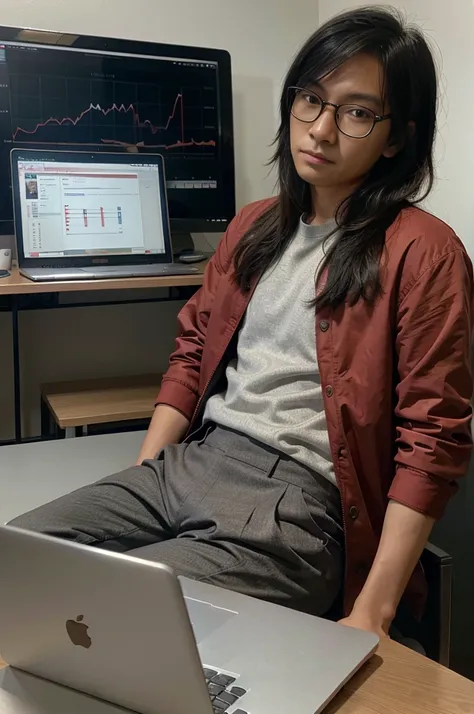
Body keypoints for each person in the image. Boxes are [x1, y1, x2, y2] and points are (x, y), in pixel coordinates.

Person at [11, 7, 473, 638]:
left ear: (396, 137)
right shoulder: (252, 225)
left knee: (107, 620)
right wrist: (146, 474)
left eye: (358, 112)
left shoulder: (424, 252)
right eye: (311, 99)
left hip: (295, 505)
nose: (322, 129)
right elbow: (192, 353)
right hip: (191, 463)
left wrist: (374, 610)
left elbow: (434, 437)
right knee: (20, 564)